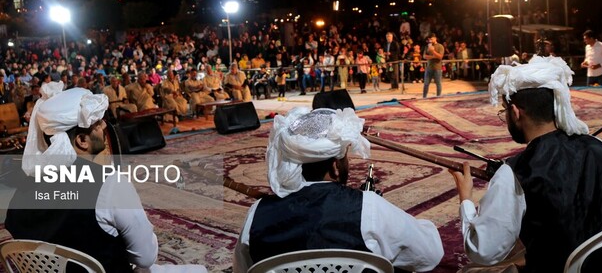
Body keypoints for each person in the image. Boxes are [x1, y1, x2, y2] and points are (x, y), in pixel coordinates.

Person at [448, 55, 602, 273]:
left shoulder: (515, 172)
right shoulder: (598, 147)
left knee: (469, 271)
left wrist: (466, 201)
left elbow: (483, 250)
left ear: (516, 112)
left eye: (504, 112)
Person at [5, 82, 205, 273]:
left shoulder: (25, 183)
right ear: (82, 140)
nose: (103, 125)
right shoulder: (110, 184)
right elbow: (146, 257)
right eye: (97, 123)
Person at [233, 107, 444, 273]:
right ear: (335, 167)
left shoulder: (257, 213)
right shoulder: (368, 208)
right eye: (345, 159)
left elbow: (243, 269)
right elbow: (431, 254)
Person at [422, 33, 444, 98]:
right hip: (429, 68)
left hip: (437, 68)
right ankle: (424, 97)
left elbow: (440, 57)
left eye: (431, 39)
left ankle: (438, 97)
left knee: (438, 84)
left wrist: (433, 51)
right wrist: (433, 56)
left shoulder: (440, 46)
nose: (430, 40)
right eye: (429, 39)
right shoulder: (427, 46)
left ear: (435, 38)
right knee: (426, 84)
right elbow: (424, 56)